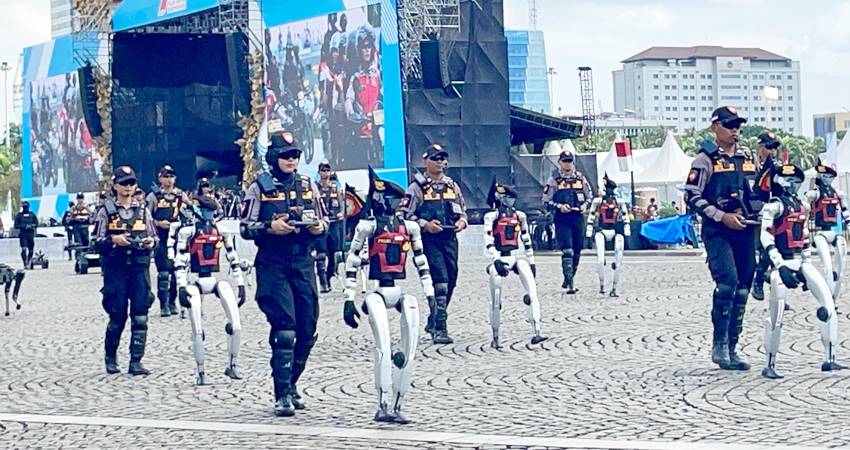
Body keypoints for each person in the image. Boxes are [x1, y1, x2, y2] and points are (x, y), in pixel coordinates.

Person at [241, 121, 327, 417]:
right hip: (273, 264)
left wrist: (318, 227)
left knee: (307, 328)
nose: (291, 160)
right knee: (285, 329)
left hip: (303, 261)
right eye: (285, 155)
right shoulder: (259, 187)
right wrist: (269, 227)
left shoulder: (307, 184)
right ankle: (281, 395)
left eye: (294, 155)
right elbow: (245, 227)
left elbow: (324, 220)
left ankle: (292, 384)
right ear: (273, 157)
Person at [342, 168, 434, 424]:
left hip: (399, 291)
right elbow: (352, 262)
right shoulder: (367, 226)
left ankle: (398, 402)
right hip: (377, 292)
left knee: (410, 348)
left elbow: (421, 261)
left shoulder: (410, 227)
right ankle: (383, 402)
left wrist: (431, 297)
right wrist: (349, 299)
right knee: (383, 347)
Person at [684, 106, 758, 371]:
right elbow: (692, 196)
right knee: (727, 283)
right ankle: (719, 345)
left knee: (742, 289)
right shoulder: (704, 160)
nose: (734, 130)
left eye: (737, 125)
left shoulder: (749, 157)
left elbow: (759, 190)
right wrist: (721, 216)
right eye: (729, 125)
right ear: (715, 127)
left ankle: (732, 347)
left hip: (747, 229)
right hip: (718, 231)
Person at [760, 162, 846, 378]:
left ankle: (830, 357)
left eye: (795, 181)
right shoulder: (774, 205)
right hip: (781, 262)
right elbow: (766, 236)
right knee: (776, 315)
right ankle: (770, 362)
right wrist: (778, 264)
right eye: (787, 180)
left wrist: (806, 262)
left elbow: (804, 236)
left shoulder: (802, 206)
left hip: (801, 260)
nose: (791, 185)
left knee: (828, 303)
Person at [174, 193, 245, 386]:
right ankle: (201, 370)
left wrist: (240, 283)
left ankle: (232, 364)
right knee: (197, 329)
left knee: (236, 325)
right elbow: (180, 261)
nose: (208, 215)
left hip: (215, 279)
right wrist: (181, 286)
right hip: (196, 281)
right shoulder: (187, 232)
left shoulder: (221, 230)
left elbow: (233, 257)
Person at [92, 165, 158, 375]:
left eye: (131, 183)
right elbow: (95, 241)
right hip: (116, 269)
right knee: (117, 315)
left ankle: (136, 360)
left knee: (140, 315)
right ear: (115, 186)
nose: (128, 188)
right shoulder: (106, 211)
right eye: (124, 184)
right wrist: (114, 240)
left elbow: (154, 236)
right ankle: (110, 357)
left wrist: (150, 242)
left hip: (139, 268)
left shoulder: (143, 210)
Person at [400, 144, 468, 345]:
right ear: (425, 161)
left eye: (442, 158)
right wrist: (425, 225)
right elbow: (404, 215)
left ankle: (434, 318)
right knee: (440, 281)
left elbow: (463, 210)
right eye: (435, 158)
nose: (439, 162)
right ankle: (440, 327)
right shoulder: (416, 187)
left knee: (452, 279)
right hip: (428, 240)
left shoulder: (451, 185)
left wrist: (462, 222)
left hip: (449, 238)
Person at [483, 179, 547, 349]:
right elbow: (488, 239)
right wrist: (495, 259)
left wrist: (531, 261)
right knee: (496, 296)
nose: (510, 201)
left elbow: (526, 239)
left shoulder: (520, 216)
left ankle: (537, 329)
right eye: (507, 197)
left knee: (531, 289)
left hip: (515, 257)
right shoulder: (492, 216)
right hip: (499, 258)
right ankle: (495, 335)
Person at [542, 150, 592, 294]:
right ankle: (569, 280)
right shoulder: (554, 181)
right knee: (567, 249)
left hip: (577, 217)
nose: (567, 164)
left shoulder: (580, 178)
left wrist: (585, 205)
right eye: (565, 161)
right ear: (559, 162)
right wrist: (559, 206)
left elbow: (589, 196)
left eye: (569, 161)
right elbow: (546, 201)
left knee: (577, 249)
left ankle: (570, 276)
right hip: (562, 219)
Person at [146, 164, 191, 318]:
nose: (169, 179)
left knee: (176, 271)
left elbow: (189, 211)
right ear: (160, 178)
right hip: (161, 237)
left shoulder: (180, 195)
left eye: (171, 176)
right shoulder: (153, 196)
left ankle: (173, 302)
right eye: (166, 176)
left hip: (177, 237)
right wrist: (158, 224)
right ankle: (163, 304)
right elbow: (145, 217)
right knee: (164, 273)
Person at [585, 174, 631, 298]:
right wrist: (589, 232)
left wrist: (627, 233)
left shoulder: (619, 201)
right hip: (602, 231)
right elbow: (591, 216)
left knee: (618, 261)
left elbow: (626, 217)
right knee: (600, 260)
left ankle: (614, 287)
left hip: (615, 232)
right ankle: (602, 285)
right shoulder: (598, 201)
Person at [750, 131, 780, 301]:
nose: (772, 151)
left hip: (771, 215)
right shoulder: (753, 165)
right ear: (760, 147)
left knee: (773, 254)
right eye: (769, 147)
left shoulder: (774, 167)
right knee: (763, 253)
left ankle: (763, 283)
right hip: (755, 216)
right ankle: (758, 281)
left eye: (775, 148)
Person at [315, 161, 344, 293]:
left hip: (334, 224)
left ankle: (329, 275)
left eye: (327, 170)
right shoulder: (315, 188)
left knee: (334, 255)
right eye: (323, 170)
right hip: (321, 224)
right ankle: (323, 282)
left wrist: (341, 213)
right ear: (319, 172)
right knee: (321, 254)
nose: (325, 173)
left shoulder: (335, 188)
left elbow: (343, 205)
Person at [14, 201, 38, 268]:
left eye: (26, 207)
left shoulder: (32, 214)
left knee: (31, 249)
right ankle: (25, 262)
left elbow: (36, 223)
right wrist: (24, 226)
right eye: (24, 207)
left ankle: (29, 260)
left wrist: (32, 225)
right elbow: (16, 225)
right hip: (23, 234)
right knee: (23, 249)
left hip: (30, 234)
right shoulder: (19, 215)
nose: (25, 208)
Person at [68, 193, 92, 259]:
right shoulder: (73, 208)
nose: (80, 200)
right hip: (77, 226)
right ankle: (78, 256)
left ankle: (86, 255)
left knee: (86, 241)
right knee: (78, 242)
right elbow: (69, 218)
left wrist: (86, 208)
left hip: (85, 226)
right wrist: (74, 217)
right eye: (79, 198)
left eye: (81, 198)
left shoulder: (86, 207)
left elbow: (92, 215)